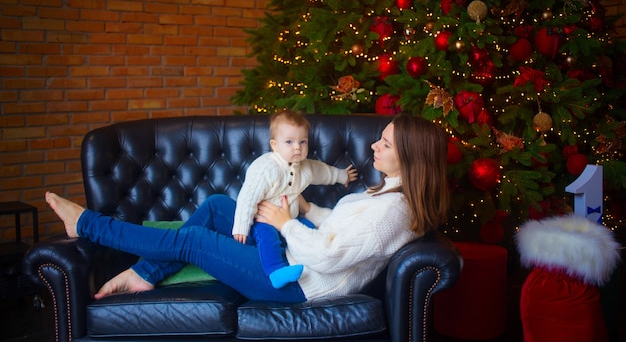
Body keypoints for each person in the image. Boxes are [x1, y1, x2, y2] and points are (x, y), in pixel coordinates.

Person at [46, 113, 450, 303]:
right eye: (379, 138)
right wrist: (307, 211)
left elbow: (330, 255)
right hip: (296, 254)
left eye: (385, 144)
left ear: (412, 158)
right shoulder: (387, 196)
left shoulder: (393, 212)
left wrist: (286, 221)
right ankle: (144, 274)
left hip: (297, 283)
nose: (374, 147)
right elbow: (340, 229)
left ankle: (86, 224)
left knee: (194, 240)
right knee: (222, 205)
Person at [232, 109, 358, 289]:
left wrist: (342, 176)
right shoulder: (266, 168)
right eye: (289, 142)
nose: (297, 147)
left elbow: (323, 172)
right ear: (275, 145)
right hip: (264, 220)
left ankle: (312, 263)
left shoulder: (305, 167)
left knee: (308, 228)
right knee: (268, 238)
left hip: (290, 218)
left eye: (303, 141)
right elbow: (247, 197)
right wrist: (241, 226)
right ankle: (275, 271)